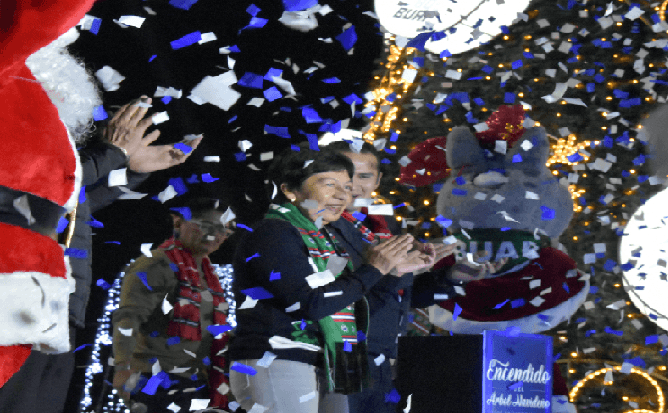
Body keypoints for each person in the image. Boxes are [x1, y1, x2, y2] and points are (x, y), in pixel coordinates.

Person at [0, 21, 202, 412]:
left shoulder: (50, 141)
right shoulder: (10, 107)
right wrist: (111, 156)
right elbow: (25, 187)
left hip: (54, 309)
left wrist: (129, 170)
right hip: (13, 306)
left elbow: (63, 206)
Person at [229, 146, 418, 413]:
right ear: (290, 190)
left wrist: (393, 273)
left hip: (330, 363)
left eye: (347, 186)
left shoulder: (329, 240)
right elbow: (309, 304)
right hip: (278, 358)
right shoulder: (273, 232)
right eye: (329, 184)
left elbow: (352, 307)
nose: (342, 195)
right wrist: (374, 269)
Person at [323, 140, 465, 413]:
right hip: (343, 354)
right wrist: (393, 269)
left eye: (364, 176)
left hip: (387, 357)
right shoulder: (320, 225)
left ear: (377, 180)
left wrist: (450, 277)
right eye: (346, 173)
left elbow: (400, 295)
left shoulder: (384, 225)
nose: (354, 184)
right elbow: (335, 296)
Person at [111, 197, 234, 412]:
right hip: (154, 379)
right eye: (206, 226)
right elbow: (129, 318)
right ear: (178, 222)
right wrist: (122, 368)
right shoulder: (155, 263)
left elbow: (208, 329)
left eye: (224, 230)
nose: (215, 235)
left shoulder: (208, 273)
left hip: (195, 381)